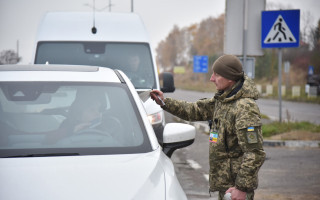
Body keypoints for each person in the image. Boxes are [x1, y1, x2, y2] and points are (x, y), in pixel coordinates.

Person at [150, 54, 266, 200]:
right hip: (227, 187)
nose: (212, 79)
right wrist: (164, 102)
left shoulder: (245, 108)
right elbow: (194, 110)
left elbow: (254, 153)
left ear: (230, 78)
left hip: (236, 190)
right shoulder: (223, 100)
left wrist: (242, 188)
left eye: (216, 74)